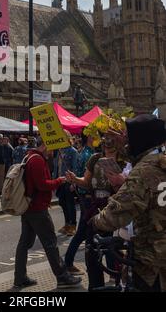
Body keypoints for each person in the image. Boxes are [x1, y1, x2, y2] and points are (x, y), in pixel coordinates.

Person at [92, 114, 166, 292]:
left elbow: (116, 214)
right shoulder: (159, 162)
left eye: (129, 138)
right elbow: (138, 153)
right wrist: (122, 144)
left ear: (139, 139)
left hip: (153, 262)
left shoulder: (143, 173)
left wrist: (94, 222)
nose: (126, 143)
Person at [13, 136, 82, 290]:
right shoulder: (37, 159)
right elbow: (43, 185)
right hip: (37, 209)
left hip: (29, 207)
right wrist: (60, 180)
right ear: (44, 145)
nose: (52, 152)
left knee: (24, 243)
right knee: (51, 243)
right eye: (51, 147)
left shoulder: (29, 156)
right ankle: (62, 277)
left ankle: (20, 277)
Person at [66, 131, 125, 290]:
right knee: (92, 247)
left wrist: (118, 182)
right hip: (94, 208)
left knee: (115, 245)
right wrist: (74, 179)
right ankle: (95, 284)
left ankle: (118, 278)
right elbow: (85, 181)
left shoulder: (124, 161)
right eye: (105, 139)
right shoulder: (95, 159)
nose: (107, 142)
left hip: (114, 208)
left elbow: (126, 189)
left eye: (111, 140)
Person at [64, 133, 94, 274]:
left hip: (84, 196)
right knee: (83, 232)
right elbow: (86, 178)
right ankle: (69, 263)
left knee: (87, 233)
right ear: (89, 137)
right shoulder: (89, 154)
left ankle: (90, 265)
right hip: (88, 197)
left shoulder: (84, 152)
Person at [55, 132, 79, 236]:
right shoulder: (60, 151)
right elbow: (56, 167)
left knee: (70, 204)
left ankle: (73, 225)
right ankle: (67, 224)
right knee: (62, 203)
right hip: (60, 181)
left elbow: (75, 168)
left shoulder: (73, 151)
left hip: (68, 182)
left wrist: (74, 183)